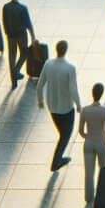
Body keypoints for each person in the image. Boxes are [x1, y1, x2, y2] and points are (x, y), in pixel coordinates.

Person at [37, 40, 81, 171]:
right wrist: (78, 104)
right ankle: (56, 161)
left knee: (62, 133)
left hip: (52, 106)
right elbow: (73, 89)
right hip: (66, 108)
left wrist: (40, 100)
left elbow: (40, 85)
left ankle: (58, 159)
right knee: (66, 135)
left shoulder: (48, 64)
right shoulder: (70, 68)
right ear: (66, 50)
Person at [78, 83, 105, 205]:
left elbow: (81, 131)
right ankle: (102, 194)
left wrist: (86, 137)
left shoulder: (85, 110)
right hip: (101, 143)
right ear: (101, 94)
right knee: (103, 170)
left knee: (88, 172)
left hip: (88, 143)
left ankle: (89, 197)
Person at [2, 0, 36, 88]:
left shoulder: (6, 7)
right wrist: (33, 37)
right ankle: (16, 71)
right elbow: (28, 24)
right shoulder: (23, 8)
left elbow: (4, 20)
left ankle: (14, 81)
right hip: (21, 35)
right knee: (24, 53)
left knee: (12, 56)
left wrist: (7, 32)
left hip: (11, 35)